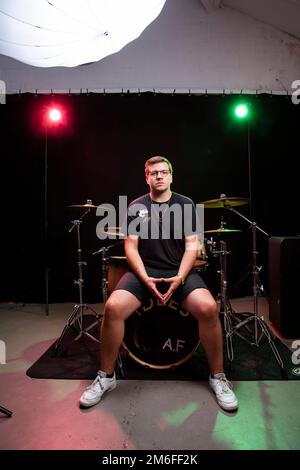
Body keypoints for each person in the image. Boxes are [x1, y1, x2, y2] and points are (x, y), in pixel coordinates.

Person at [79, 156, 238, 411]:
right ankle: (106, 377)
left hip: (179, 271)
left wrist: (180, 278)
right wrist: (144, 279)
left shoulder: (185, 205)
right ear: (147, 177)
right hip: (145, 271)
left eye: (164, 172)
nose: (159, 176)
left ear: (172, 176)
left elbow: (191, 247)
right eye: (154, 173)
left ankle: (217, 377)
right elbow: (130, 248)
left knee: (209, 308)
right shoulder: (136, 206)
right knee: (113, 308)